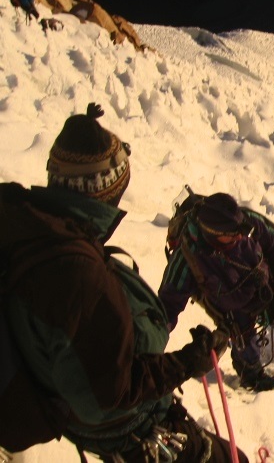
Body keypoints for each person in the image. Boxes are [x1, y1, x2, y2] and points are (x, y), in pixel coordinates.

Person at [0, 103, 248, 461]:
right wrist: (186, 363)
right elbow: (108, 394)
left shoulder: (33, 226)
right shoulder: (76, 273)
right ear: (103, 192)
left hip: (84, 418)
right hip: (127, 431)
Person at [159, 192, 274, 391]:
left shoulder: (246, 223)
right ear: (212, 233)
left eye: (239, 231)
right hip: (229, 308)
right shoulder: (188, 258)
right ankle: (252, 377)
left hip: (268, 291)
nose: (239, 236)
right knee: (246, 347)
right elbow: (165, 307)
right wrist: (152, 347)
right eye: (231, 235)